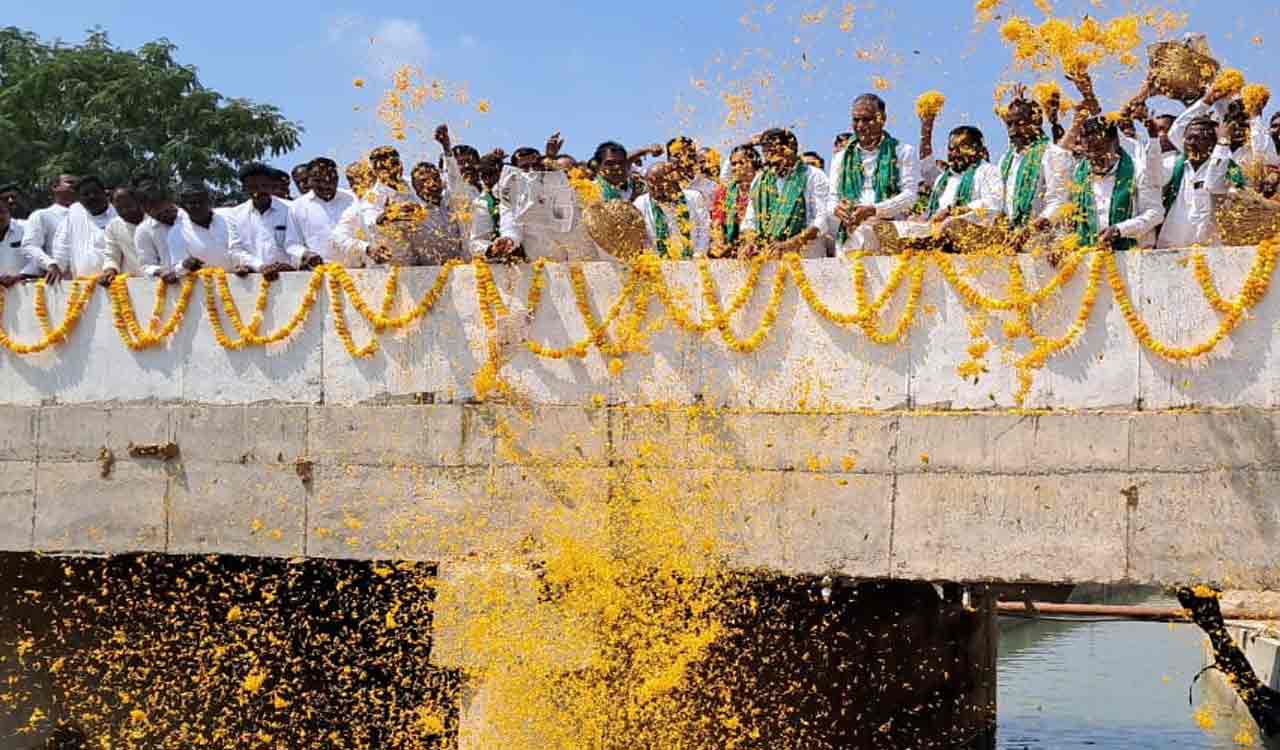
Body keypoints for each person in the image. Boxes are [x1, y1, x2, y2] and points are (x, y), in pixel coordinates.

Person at [1047, 113, 1163, 250]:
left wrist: (1120, 230)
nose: (1094, 159)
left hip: (1132, 256)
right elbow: (1068, 215)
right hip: (1087, 254)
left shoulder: (1138, 170)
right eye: (1088, 152)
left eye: (1099, 149)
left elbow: (1155, 213)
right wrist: (1060, 243)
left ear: (1115, 142)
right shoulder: (1078, 174)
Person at [828, 93, 920, 255]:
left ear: (882, 119)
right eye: (856, 120)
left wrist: (873, 210)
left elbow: (910, 196)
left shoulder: (903, 151)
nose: (860, 125)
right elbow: (832, 198)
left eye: (867, 119)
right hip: (850, 236)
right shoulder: (841, 158)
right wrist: (837, 210)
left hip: (888, 235)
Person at [491, 132, 593, 262]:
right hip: (539, 263)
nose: (531, 171)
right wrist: (509, 238)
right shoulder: (511, 194)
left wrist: (550, 158)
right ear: (516, 170)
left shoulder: (556, 183)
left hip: (576, 259)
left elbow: (566, 202)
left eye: (535, 165)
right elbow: (510, 223)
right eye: (525, 167)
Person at [741, 128, 831, 258]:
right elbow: (750, 220)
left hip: (807, 258)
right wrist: (750, 242)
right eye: (767, 153)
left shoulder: (813, 176)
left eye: (776, 152)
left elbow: (821, 221)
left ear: (791, 149)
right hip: (767, 258)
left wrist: (790, 244)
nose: (772, 160)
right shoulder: (760, 180)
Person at [1155, 115, 1241, 249]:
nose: (1192, 143)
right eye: (1189, 138)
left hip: (1210, 250)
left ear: (1213, 143)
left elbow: (1213, 184)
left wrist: (1223, 142)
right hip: (1170, 247)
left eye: (1199, 138)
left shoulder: (1228, 167)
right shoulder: (1173, 164)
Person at [996, 93, 1070, 233]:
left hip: (1045, 240)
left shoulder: (1054, 154)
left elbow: (1059, 202)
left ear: (1036, 122)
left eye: (1019, 123)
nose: (1012, 131)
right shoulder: (1006, 160)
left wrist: (1030, 231)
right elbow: (1000, 202)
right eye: (1009, 124)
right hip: (1011, 238)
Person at [922, 126, 1004, 227]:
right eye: (951, 149)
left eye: (961, 149)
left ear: (977, 150)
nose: (954, 154)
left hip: (973, 232)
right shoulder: (942, 179)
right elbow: (932, 214)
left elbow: (994, 203)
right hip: (936, 231)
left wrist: (955, 211)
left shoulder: (989, 171)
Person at [285, 157, 359, 269]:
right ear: (309, 181)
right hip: (321, 272)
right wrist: (305, 254)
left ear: (337, 178)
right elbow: (292, 244)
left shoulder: (353, 198)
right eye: (318, 180)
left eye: (331, 179)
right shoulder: (297, 206)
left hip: (358, 270)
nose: (326, 185)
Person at [226, 162, 295, 280]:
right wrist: (260, 266)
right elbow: (236, 250)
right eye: (253, 187)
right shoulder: (235, 215)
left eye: (264, 185)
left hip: (290, 276)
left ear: (271, 186)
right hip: (254, 279)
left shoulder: (290, 209)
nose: (259, 190)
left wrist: (292, 264)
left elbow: (298, 244)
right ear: (244, 189)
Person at [633, 161, 711, 259]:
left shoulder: (694, 197)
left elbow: (704, 228)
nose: (656, 189)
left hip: (693, 260)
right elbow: (639, 237)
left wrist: (698, 254)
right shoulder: (640, 203)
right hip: (658, 263)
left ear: (672, 180)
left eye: (661, 184)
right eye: (651, 184)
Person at [51, 175, 117, 279]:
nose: (92, 197)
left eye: (96, 192)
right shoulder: (74, 212)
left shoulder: (118, 214)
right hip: (82, 282)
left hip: (116, 281)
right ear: (79, 199)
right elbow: (62, 245)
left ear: (105, 193)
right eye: (85, 194)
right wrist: (58, 267)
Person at [168, 181, 241, 273]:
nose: (197, 206)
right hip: (208, 281)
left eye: (201, 201)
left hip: (248, 277)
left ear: (210, 201)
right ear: (182, 206)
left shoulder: (230, 216)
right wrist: (185, 265)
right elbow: (177, 269)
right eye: (192, 203)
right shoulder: (177, 233)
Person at [21, 174, 78, 283]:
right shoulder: (42, 215)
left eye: (78, 184)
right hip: (56, 282)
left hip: (88, 280)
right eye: (70, 182)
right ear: (55, 187)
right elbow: (30, 246)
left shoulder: (88, 217)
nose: (76, 186)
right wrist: (50, 264)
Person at [710, 144, 761, 257]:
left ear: (754, 164)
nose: (736, 168)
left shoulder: (764, 188)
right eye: (733, 164)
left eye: (741, 163)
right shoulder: (725, 191)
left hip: (759, 248)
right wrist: (719, 243)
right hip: (731, 250)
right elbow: (717, 222)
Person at [135, 183, 187, 281]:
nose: (156, 213)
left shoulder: (189, 217)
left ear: (169, 200)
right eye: (150, 210)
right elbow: (146, 265)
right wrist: (160, 271)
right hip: (171, 284)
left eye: (163, 210)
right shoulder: (143, 230)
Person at [100, 186, 147, 286]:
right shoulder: (113, 226)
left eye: (128, 206)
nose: (125, 211)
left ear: (137, 201)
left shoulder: (153, 220)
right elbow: (111, 254)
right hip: (134, 284)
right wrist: (110, 270)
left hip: (164, 279)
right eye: (119, 208)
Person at [467, 153, 505, 258]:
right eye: (483, 175)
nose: (487, 179)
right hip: (502, 261)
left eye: (491, 173)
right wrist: (491, 248)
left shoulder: (520, 193)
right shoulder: (482, 203)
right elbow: (476, 242)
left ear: (502, 172)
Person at [668, 136, 718, 203]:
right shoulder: (668, 190)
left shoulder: (710, 182)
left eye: (688, 152)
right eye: (677, 155)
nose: (684, 158)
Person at [0, 194, 32, 287]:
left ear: (9, 212)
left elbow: (36, 258)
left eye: (2, 212)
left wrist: (20, 276)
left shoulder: (25, 228)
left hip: (24, 287)